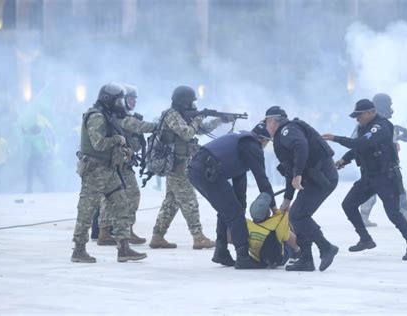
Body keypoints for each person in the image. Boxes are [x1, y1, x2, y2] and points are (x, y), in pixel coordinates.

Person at [323, 99, 407, 261]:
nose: (357, 119)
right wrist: (343, 160)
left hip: (386, 177)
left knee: (393, 214)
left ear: (371, 112)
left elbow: (361, 143)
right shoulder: (364, 127)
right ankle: (365, 239)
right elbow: (359, 149)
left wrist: (336, 138)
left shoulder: (380, 126)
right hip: (369, 176)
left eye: (359, 115)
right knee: (348, 204)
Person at [71, 82, 147, 263]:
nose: (121, 104)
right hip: (95, 171)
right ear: (108, 100)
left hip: (109, 169)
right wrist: (117, 139)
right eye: (118, 100)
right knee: (87, 211)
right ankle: (79, 250)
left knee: (122, 204)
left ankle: (124, 248)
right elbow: (98, 144)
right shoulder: (97, 116)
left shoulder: (108, 115)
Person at [188, 122, 276, 269]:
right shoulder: (252, 147)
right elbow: (262, 179)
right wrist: (273, 206)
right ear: (263, 140)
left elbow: (239, 187)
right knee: (233, 212)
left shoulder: (241, 142)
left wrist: (241, 206)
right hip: (206, 171)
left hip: (197, 169)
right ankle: (243, 257)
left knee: (229, 208)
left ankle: (221, 251)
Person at [264, 106, 339, 272]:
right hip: (317, 178)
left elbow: (300, 145)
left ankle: (325, 247)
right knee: (296, 214)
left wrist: (298, 174)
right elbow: (289, 170)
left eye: (266, 122)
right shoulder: (283, 134)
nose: (266, 126)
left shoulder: (286, 131)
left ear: (273, 121)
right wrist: (287, 200)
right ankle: (307, 259)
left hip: (322, 178)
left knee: (298, 215)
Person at [149, 85, 225, 250]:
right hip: (177, 165)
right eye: (191, 102)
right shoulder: (171, 115)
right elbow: (187, 133)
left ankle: (157, 236)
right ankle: (198, 237)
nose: (193, 106)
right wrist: (199, 117)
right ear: (183, 102)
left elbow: (201, 130)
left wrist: (220, 120)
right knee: (189, 200)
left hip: (181, 163)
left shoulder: (181, 116)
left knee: (171, 202)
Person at [96, 84, 155, 246]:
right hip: (121, 165)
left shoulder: (118, 116)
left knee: (110, 198)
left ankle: (105, 232)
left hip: (120, 163)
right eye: (130, 99)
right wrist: (159, 126)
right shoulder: (121, 118)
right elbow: (140, 127)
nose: (133, 102)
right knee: (132, 195)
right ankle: (124, 231)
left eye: (134, 99)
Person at [358, 93, 407, 228]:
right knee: (376, 191)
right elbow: (359, 141)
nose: (391, 108)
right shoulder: (366, 124)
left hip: (385, 165)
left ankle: (406, 216)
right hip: (375, 165)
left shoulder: (382, 123)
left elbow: (394, 135)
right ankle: (364, 217)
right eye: (389, 105)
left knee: (396, 190)